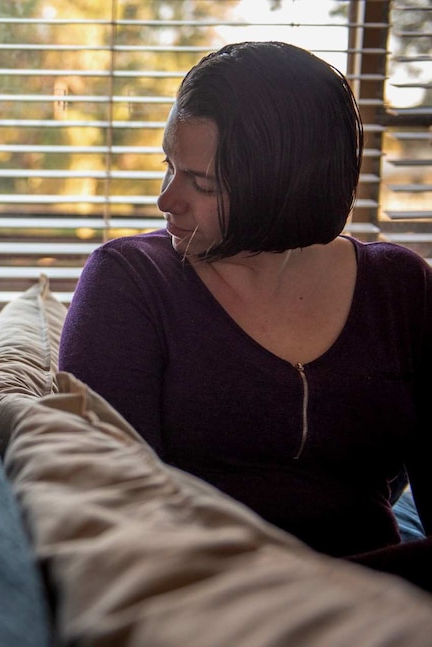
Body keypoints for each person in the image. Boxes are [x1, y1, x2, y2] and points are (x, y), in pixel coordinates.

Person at [58, 41, 431, 589]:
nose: (167, 200)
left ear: (284, 185)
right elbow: (120, 520)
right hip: (211, 598)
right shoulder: (131, 283)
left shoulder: (400, 291)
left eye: (201, 182)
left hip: (379, 605)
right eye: (170, 166)